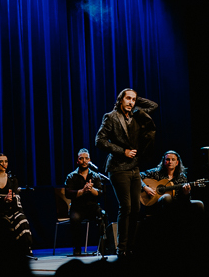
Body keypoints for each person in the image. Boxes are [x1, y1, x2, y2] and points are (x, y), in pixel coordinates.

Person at [95, 88, 158, 257]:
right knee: (126, 206)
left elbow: (154, 105)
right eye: (128, 98)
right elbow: (99, 140)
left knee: (136, 208)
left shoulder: (137, 115)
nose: (131, 102)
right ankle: (121, 247)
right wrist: (122, 151)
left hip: (134, 167)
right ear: (120, 100)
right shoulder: (111, 117)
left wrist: (137, 100)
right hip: (117, 167)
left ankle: (131, 246)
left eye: (133, 99)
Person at [0, 153, 33, 257]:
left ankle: (25, 250)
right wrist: (3, 200)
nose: (4, 164)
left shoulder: (12, 179)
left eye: (6, 161)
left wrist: (12, 199)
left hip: (13, 210)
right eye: (1, 161)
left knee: (22, 220)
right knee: (3, 222)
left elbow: (17, 197)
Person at [64, 148, 107, 256]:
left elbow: (101, 192)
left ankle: (103, 247)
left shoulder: (95, 175)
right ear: (77, 161)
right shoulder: (71, 176)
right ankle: (77, 249)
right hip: (77, 207)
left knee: (103, 215)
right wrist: (82, 191)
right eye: (81, 159)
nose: (84, 161)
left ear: (90, 160)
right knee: (75, 219)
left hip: (92, 206)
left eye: (86, 158)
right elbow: (68, 193)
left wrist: (91, 190)